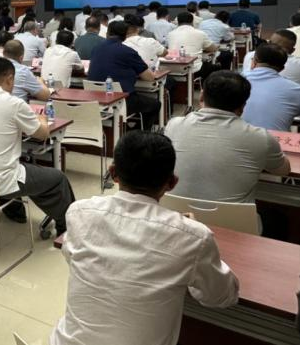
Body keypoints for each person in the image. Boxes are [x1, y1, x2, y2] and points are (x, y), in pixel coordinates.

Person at [51, 131, 239, 345]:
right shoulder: (194, 237)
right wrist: (191, 239)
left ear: (113, 173)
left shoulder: (79, 212)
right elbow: (221, 296)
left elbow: (72, 256)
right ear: (172, 183)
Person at [0, 58, 74, 236]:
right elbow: (42, 134)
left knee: (17, 165)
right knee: (57, 178)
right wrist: (42, 119)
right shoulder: (14, 103)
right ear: (10, 79)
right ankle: (67, 230)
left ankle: (16, 213)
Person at [166, 71, 289, 206]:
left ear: (201, 96)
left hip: (176, 213)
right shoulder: (261, 138)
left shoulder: (173, 125)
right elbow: (282, 170)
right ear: (243, 106)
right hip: (233, 219)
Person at [88, 21, 159, 128]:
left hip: (96, 100)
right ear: (125, 36)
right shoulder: (127, 51)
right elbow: (149, 77)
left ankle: (128, 130)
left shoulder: (96, 48)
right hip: (122, 101)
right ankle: (136, 133)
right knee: (155, 104)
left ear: (107, 33)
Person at [242, 43, 300, 131]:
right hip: (274, 138)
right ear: (282, 69)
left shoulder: (234, 81)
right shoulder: (295, 90)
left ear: (254, 62)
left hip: (233, 137)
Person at [167, 12, 216, 76]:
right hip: (193, 70)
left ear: (178, 22)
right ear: (192, 22)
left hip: (173, 69)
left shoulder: (170, 34)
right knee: (211, 66)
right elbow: (212, 49)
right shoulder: (200, 33)